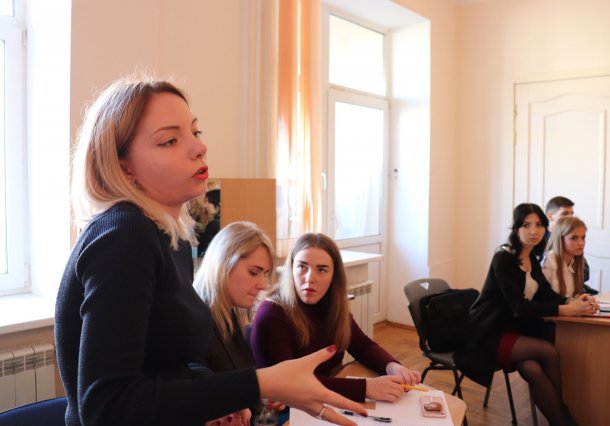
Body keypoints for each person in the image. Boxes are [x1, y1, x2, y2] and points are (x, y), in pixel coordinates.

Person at [54, 76, 366, 426]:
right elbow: (106, 408)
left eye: (195, 132)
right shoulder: (125, 235)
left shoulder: (171, 237)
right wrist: (259, 383)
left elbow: (168, 363)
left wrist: (222, 398)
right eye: (170, 140)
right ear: (123, 166)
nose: (199, 147)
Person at [453, 203, 597, 426]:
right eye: (526, 225)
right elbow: (519, 307)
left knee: (532, 368)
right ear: (516, 228)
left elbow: (545, 293)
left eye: (539, 225)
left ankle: (559, 419)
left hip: (512, 329)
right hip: (489, 332)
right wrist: (567, 309)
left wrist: (571, 301)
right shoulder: (503, 258)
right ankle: (564, 415)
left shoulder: (531, 257)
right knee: (549, 351)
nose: (533, 231)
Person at [250, 232, 420, 404]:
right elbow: (291, 382)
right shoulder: (272, 314)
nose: (310, 278)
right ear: (291, 268)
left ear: (334, 275)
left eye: (321, 270)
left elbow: (363, 346)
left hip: (321, 401)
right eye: (302, 267)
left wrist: (391, 366)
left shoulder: (331, 305)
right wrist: (365, 388)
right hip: (284, 409)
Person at [193, 221, 277, 425]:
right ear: (224, 264)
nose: (263, 284)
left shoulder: (230, 316)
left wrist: (264, 395)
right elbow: (193, 378)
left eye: (265, 274)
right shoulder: (194, 321)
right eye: (254, 272)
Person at [544, 196, 597, 294]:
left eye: (571, 213)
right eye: (565, 214)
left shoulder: (574, 245)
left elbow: (585, 273)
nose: (570, 218)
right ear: (550, 217)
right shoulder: (541, 242)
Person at [542, 216, 590, 298]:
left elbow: (570, 296)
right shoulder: (549, 261)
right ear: (560, 239)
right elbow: (542, 298)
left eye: (583, 237)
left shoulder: (575, 261)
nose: (581, 243)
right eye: (574, 238)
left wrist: (581, 299)